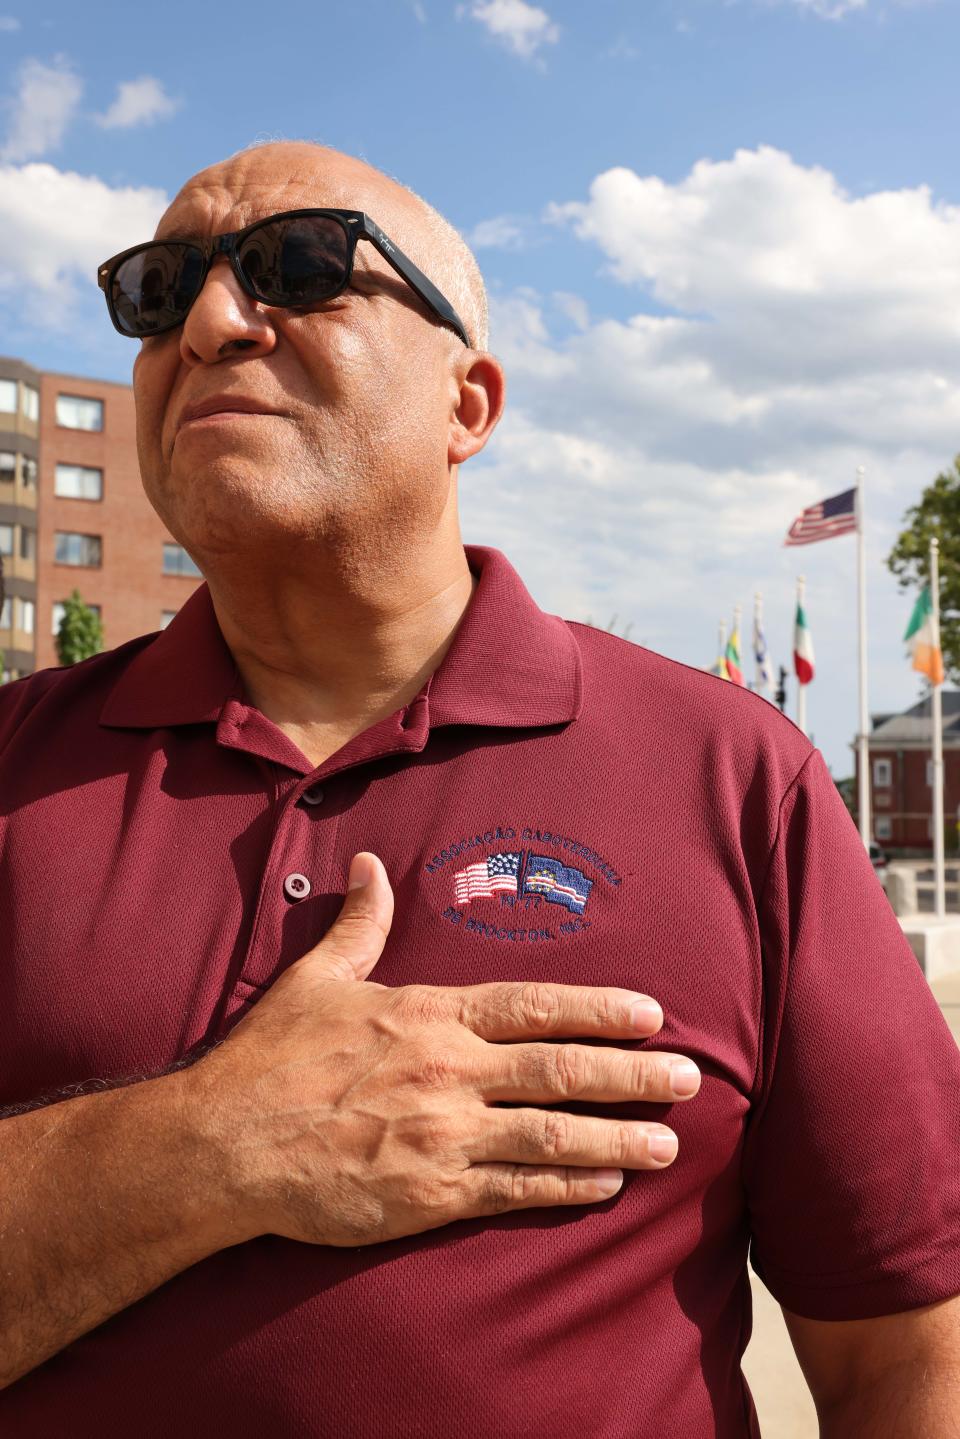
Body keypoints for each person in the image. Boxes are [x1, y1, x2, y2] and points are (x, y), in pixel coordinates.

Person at [0, 141, 957, 1439]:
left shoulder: (734, 777)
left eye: (301, 265)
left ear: (470, 404)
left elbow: (906, 1359)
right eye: (158, 292)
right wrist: (203, 1147)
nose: (214, 323)